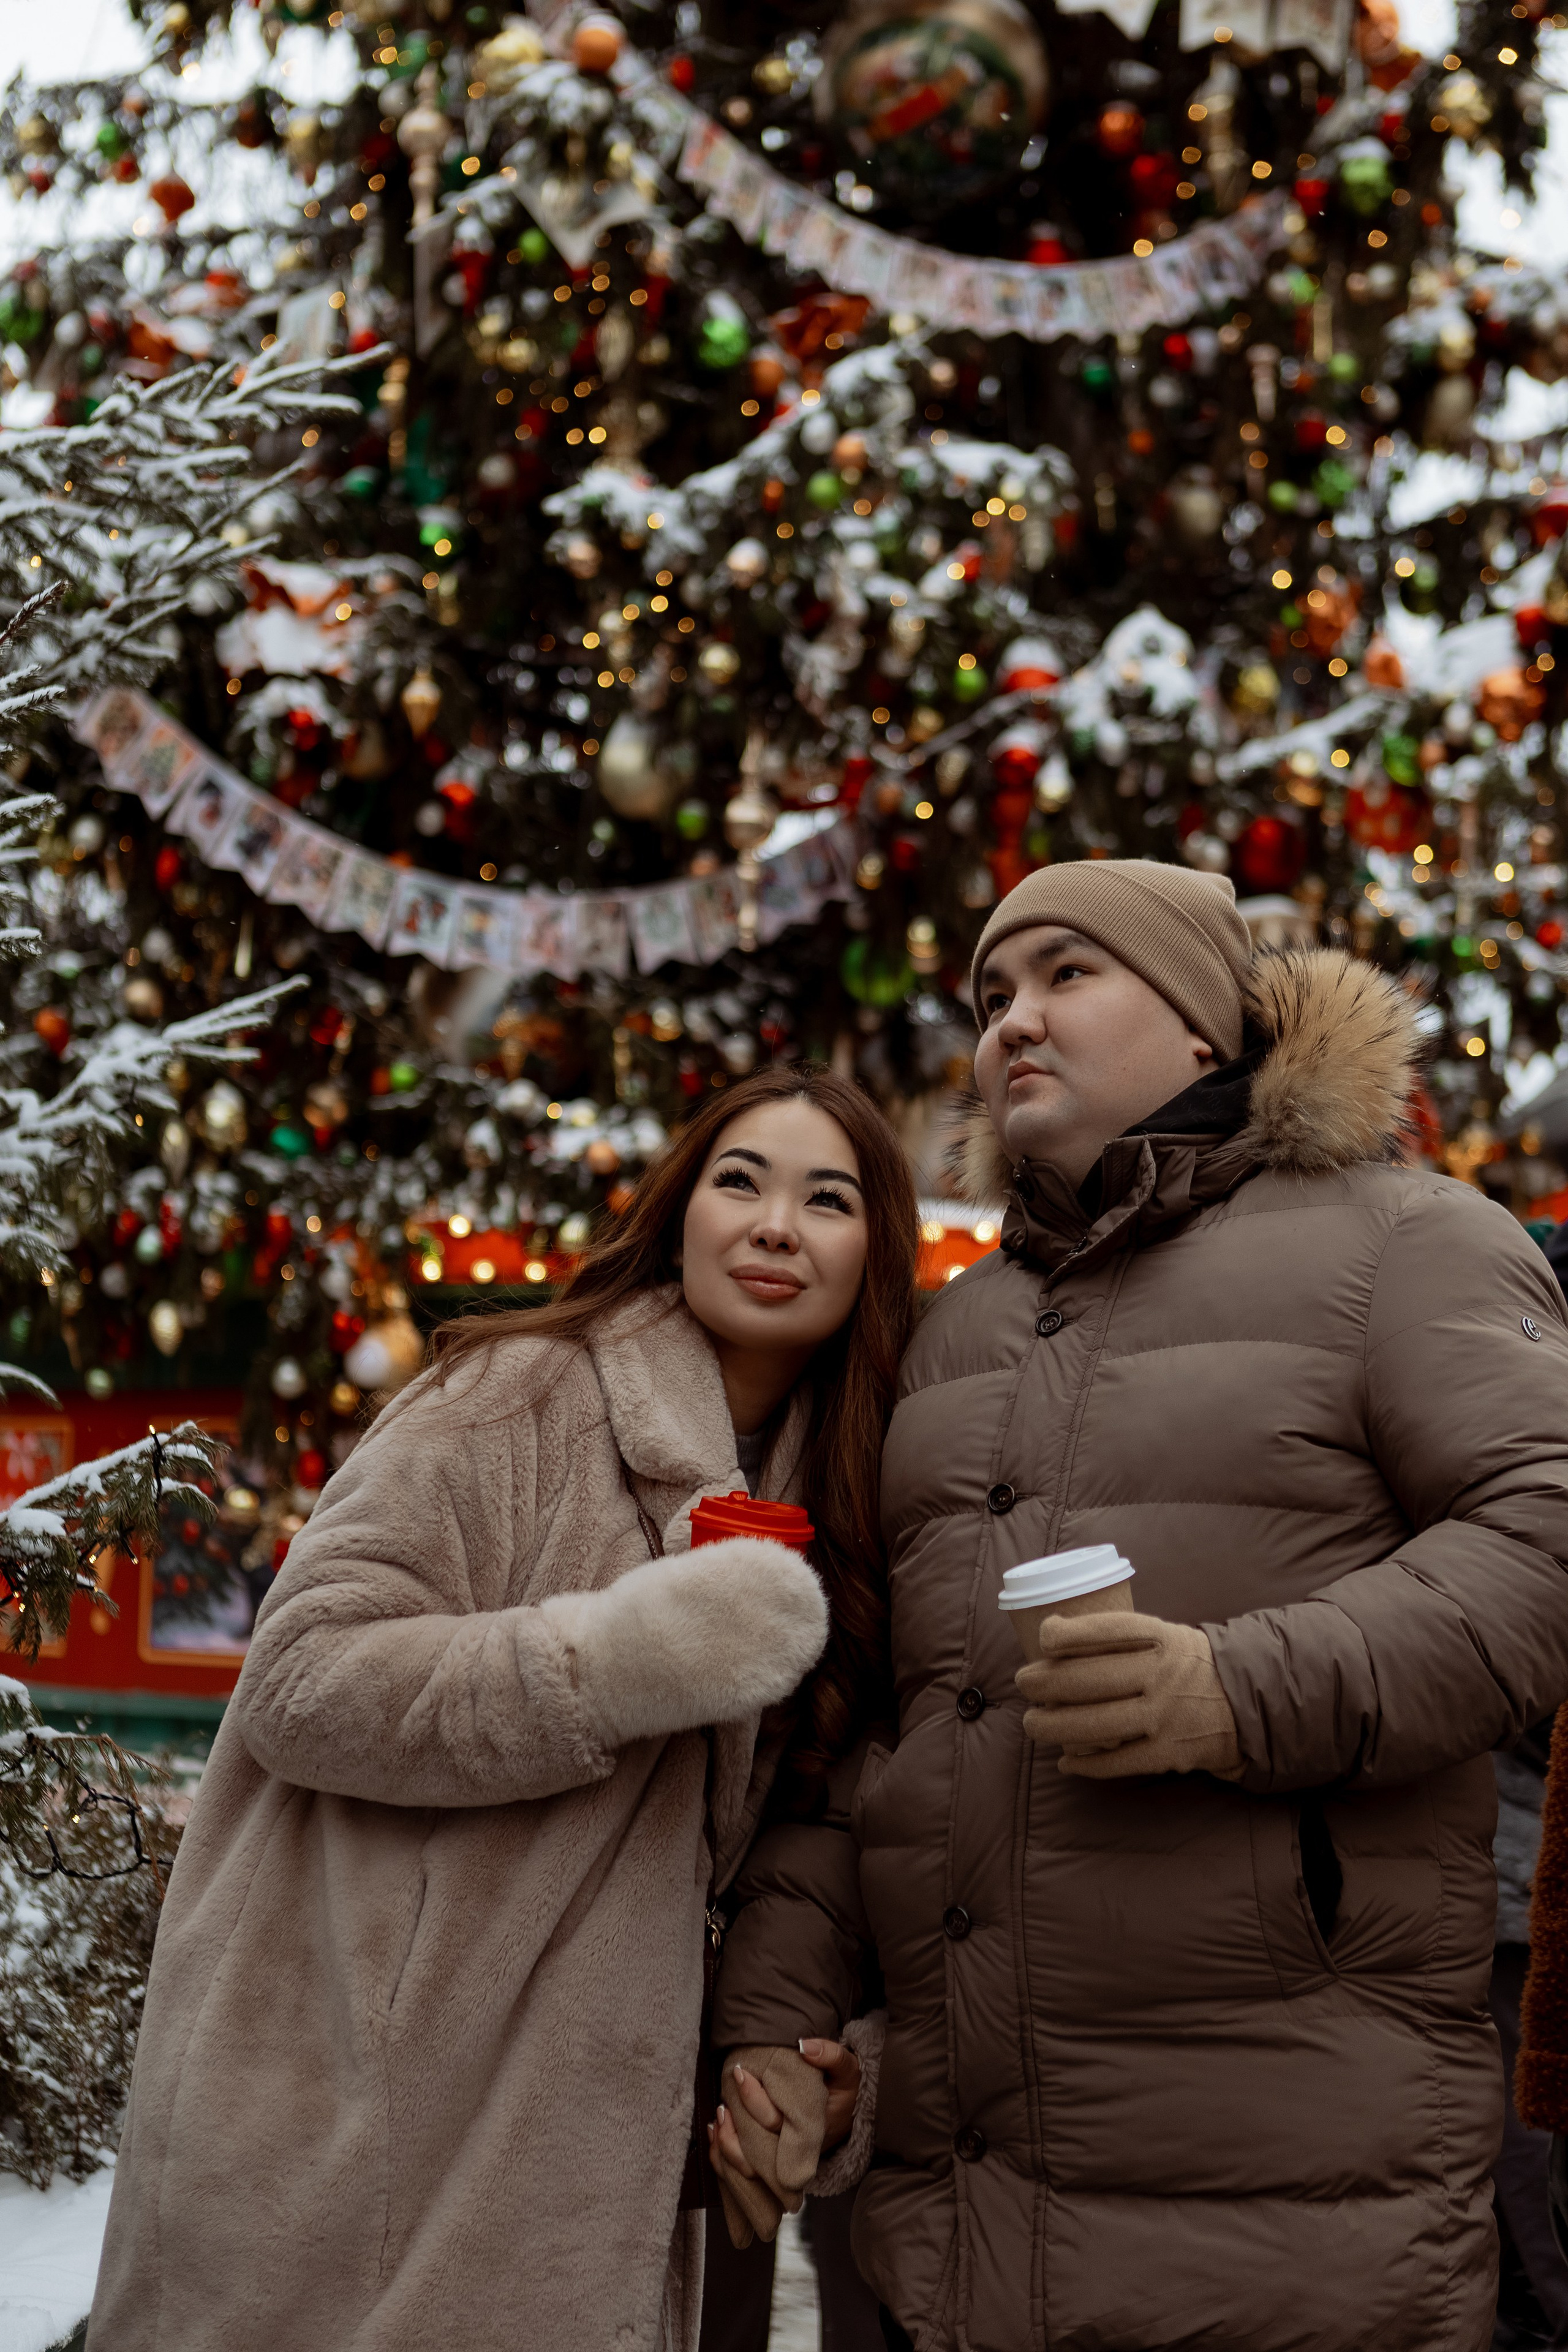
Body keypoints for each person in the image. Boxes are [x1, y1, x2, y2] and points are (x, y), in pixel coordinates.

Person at [709, 859, 1568, 2352]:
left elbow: (1546, 1528)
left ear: (1202, 1028)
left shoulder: (1402, 1240)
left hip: (1292, 2216)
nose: (1010, 1023)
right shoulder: (950, 1334)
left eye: (1063, 975)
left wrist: (1236, 1692)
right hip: (947, 2235)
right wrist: (771, 2042)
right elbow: (867, 1741)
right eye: (988, 998)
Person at [88, 1063, 919, 2352]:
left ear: (876, 1252)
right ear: (677, 1209)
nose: (771, 1225)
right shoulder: (513, 1395)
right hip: (368, 2123)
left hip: (610, 2162)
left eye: (827, 1199)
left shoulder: (860, 1501)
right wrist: (618, 1662)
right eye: (737, 1180)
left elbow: (831, 1840)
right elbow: (302, 1680)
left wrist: (827, 2067)